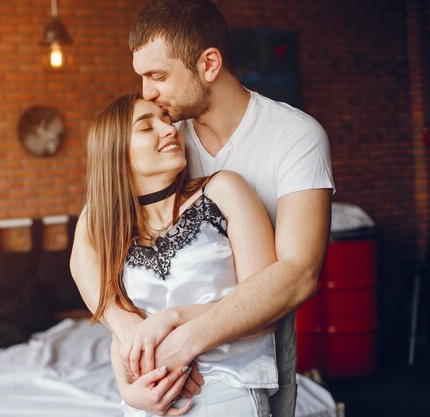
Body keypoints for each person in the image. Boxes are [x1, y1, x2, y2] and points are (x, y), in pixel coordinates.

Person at [70, 1, 334, 416]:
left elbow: (298, 274)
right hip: (159, 370)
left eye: (158, 76)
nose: (147, 92)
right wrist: (133, 336)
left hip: (251, 355)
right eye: (143, 78)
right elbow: (87, 243)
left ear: (209, 63)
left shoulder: (294, 136)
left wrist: (182, 341)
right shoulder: (166, 139)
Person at [85, 92, 278, 416]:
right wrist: (128, 391)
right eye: (146, 128)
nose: (169, 129)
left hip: (225, 392)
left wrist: (171, 319)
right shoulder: (111, 228)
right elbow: (124, 322)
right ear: (116, 153)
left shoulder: (224, 189)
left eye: (167, 120)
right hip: (148, 402)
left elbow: (266, 306)